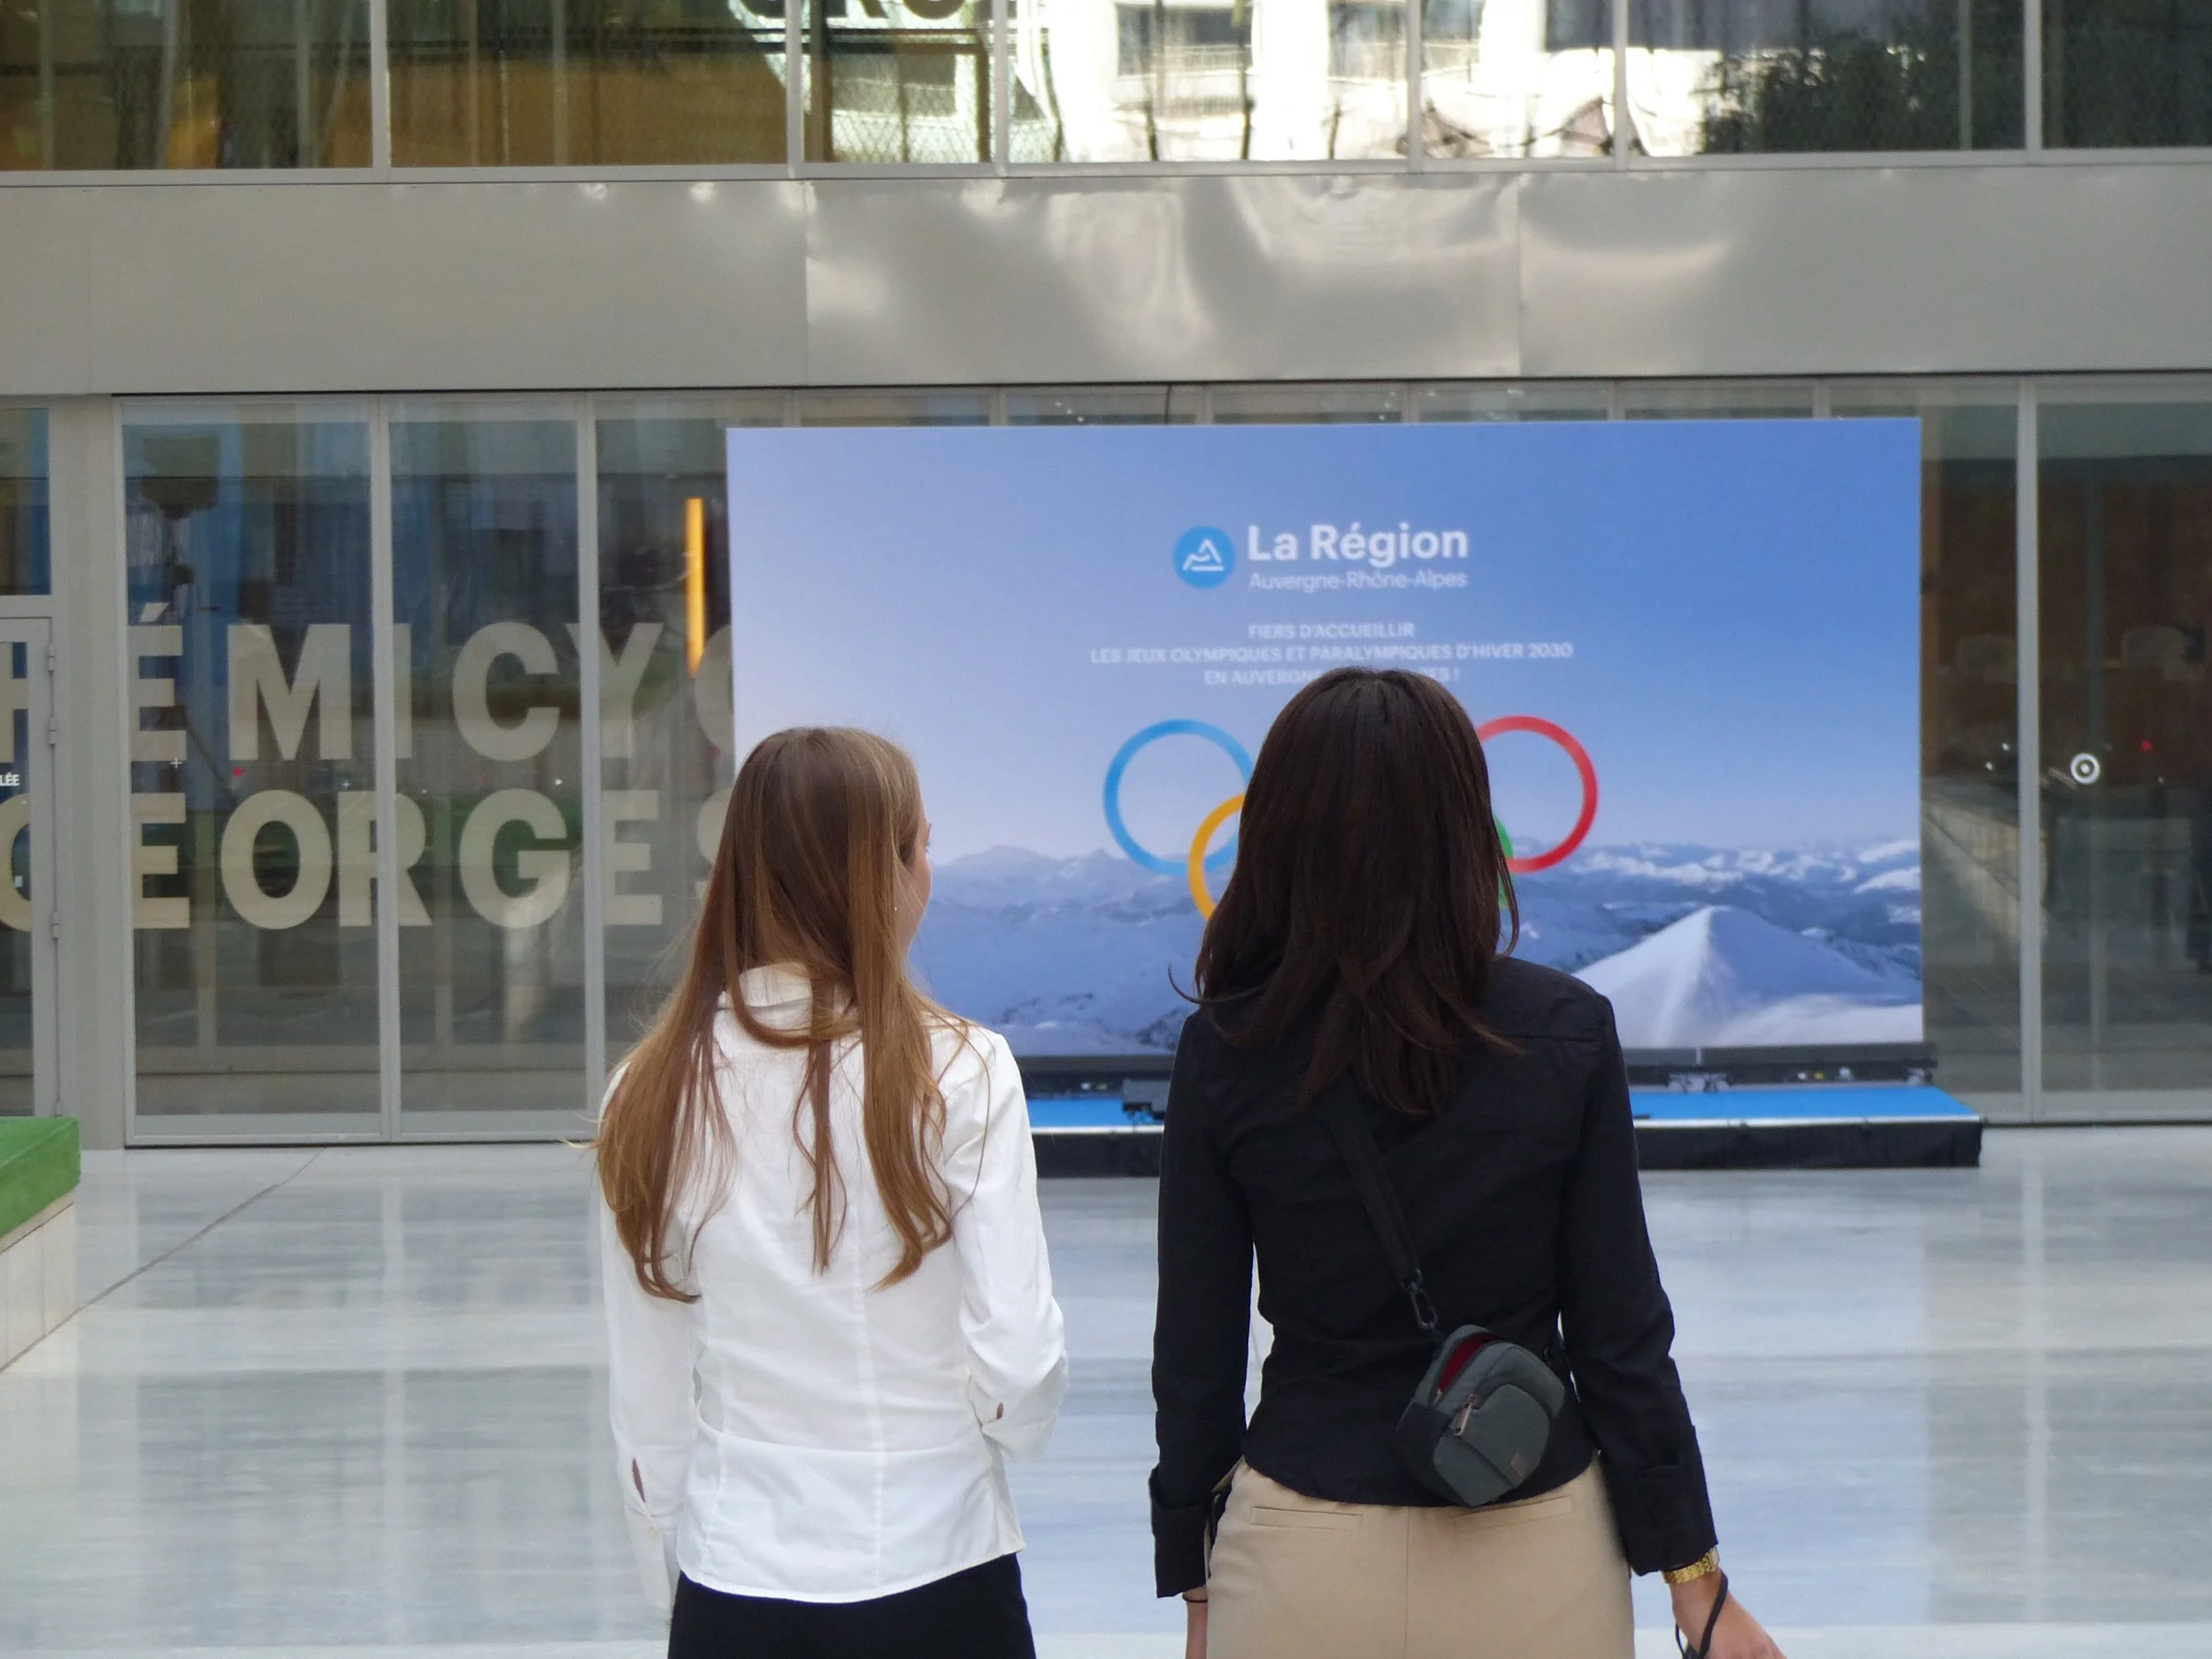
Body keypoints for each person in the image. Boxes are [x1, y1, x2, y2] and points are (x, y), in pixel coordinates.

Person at [1148, 668, 1786, 1659]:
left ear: (1273, 833)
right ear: (1464, 830)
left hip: (1297, 1546)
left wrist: (1194, 1588)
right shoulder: (1564, 1030)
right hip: (1532, 1538)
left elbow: (1195, 1355)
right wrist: (1692, 1575)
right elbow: (1619, 1334)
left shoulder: (1226, 1049)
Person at [596, 726, 1068, 1659]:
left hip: (738, 1576)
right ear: (879, 874)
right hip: (944, 1565)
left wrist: (676, 1575)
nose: (928, 872)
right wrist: (985, 1447)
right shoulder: (964, 1071)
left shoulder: (651, 1090)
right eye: (919, 845)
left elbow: (648, 1399)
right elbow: (1016, 1361)